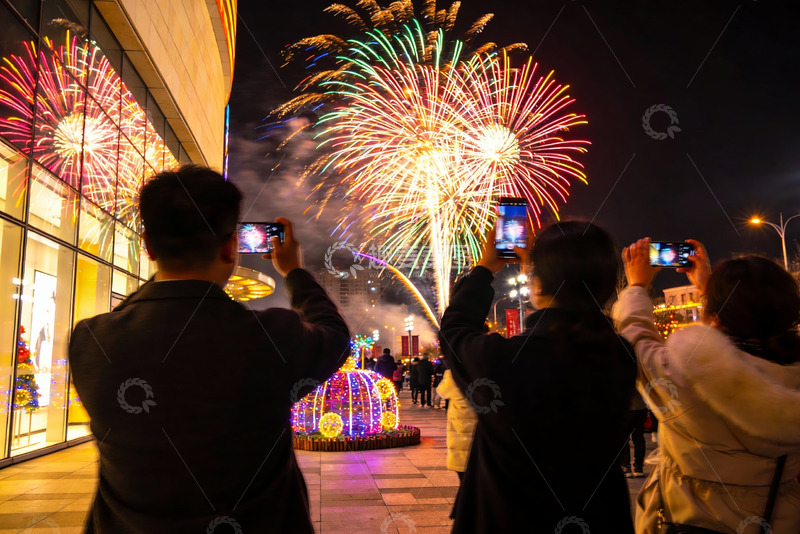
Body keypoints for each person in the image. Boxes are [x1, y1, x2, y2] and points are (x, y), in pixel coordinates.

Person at [68, 166, 350, 533]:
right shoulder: (273, 337)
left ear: (148, 246)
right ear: (231, 247)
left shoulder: (91, 340)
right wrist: (294, 271)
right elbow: (335, 335)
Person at [439, 220, 636, 533]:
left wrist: (484, 268)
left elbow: (453, 332)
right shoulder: (619, 355)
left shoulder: (502, 361)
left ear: (538, 284)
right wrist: (541, 270)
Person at [615, 238, 800, 532]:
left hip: (692, 518)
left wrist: (636, 287)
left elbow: (636, 336)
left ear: (714, 315)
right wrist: (710, 289)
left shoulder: (686, 374)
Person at [435, 369, 477, 519]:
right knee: (472, 485)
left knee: (466, 483)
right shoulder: (485, 373)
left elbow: (442, 391)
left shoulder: (454, 375)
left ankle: (461, 515)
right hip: (478, 444)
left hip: (459, 444)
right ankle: (462, 515)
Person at [617, 390, 648, 478]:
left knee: (624, 439)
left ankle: (626, 467)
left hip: (625, 408)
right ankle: (639, 467)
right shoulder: (642, 375)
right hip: (641, 407)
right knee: (639, 438)